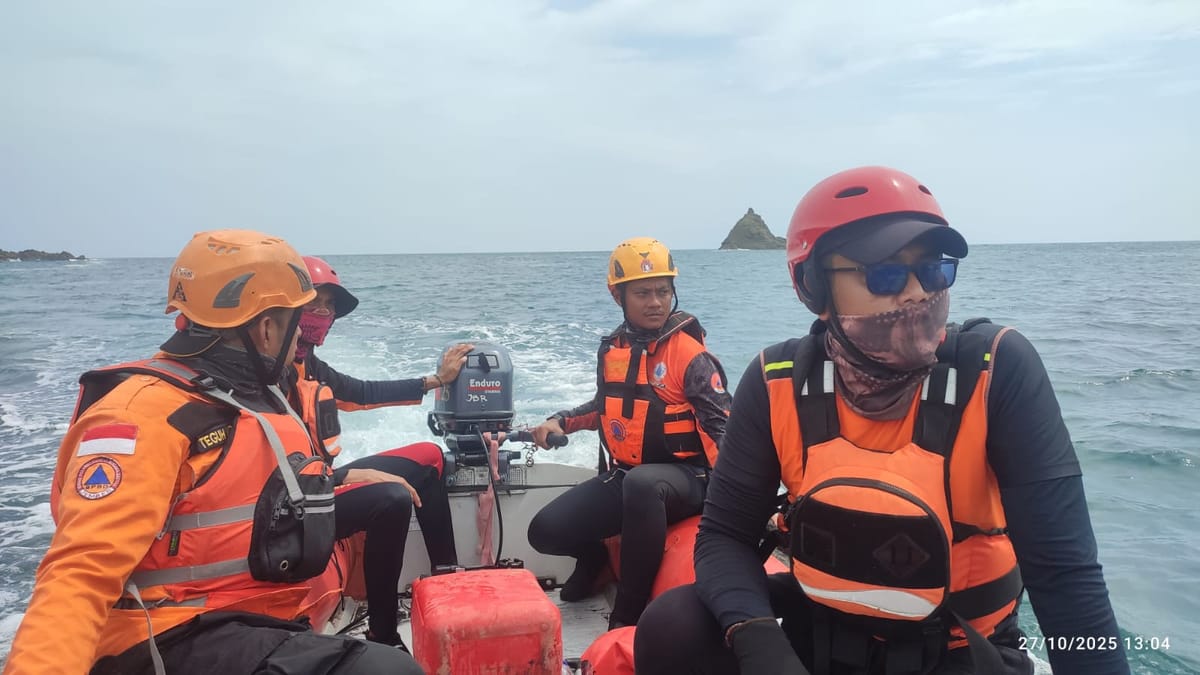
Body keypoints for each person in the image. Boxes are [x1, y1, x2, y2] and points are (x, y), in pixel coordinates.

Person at [633, 166, 1130, 675]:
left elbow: (1065, 577)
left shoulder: (996, 371)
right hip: (821, 632)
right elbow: (725, 536)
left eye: (934, 269)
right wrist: (761, 644)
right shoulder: (776, 381)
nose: (917, 292)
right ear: (814, 287)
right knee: (674, 625)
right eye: (886, 272)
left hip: (957, 651)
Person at [1, 230, 422, 675]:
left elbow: (240, 492)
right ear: (266, 329)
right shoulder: (145, 415)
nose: (304, 332)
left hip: (249, 618)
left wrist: (339, 480)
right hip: (167, 634)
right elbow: (79, 575)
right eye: (296, 320)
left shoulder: (254, 396)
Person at [526, 237, 732, 630]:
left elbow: (726, 430)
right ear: (617, 295)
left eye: (663, 291)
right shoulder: (613, 349)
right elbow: (605, 406)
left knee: (642, 483)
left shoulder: (691, 357)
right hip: (630, 477)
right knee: (546, 531)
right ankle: (595, 560)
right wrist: (559, 420)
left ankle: (628, 615)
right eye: (642, 293)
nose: (655, 302)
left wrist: (740, 508)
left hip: (691, 481)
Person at [289, 255, 472, 650]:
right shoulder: (263, 376)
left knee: (430, 457)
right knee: (391, 497)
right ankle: (384, 633)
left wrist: (437, 380)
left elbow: (362, 393)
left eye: (329, 307)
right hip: (296, 506)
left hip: (321, 483)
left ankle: (446, 579)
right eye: (312, 303)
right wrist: (343, 477)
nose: (321, 314)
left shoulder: (311, 367)